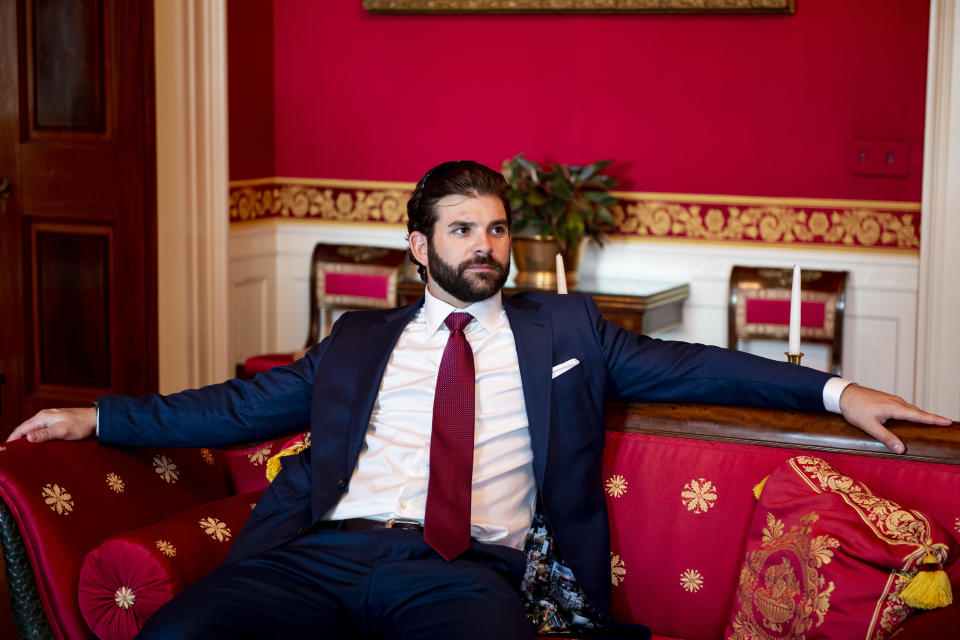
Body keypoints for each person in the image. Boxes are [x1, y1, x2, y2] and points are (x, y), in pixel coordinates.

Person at [8, 161, 951, 640]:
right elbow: (232, 410)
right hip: (319, 558)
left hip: (462, 574)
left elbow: (697, 366)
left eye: (496, 228)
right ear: (418, 248)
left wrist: (838, 388)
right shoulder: (356, 342)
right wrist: (102, 418)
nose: (485, 246)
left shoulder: (568, 333)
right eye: (461, 230)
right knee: (180, 635)